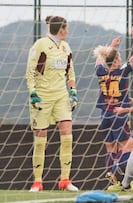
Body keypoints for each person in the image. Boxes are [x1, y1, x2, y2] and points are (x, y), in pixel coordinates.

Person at [26, 16, 79, 192]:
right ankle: (37, 182)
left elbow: (70, 72)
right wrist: (33, 92)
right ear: (61, 29)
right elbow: (31, 71)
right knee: (41, 139)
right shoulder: (40, 45)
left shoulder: (66, 47)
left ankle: (65, 180)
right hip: (42, 96)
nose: (68, 31)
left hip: (61, 96)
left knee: (67, 135)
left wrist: (73, 91)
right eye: (67, 28)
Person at [93, 27, 133, 189]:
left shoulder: (101, 71)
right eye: (119, 56)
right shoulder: (122, 71)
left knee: (110, 148)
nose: (121, 58)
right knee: (125, 147)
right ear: (116, 61)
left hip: (105, 114)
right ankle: (124, 178)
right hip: (119, 114)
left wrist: (111, 47)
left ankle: (111, 175)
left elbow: (99, 60)